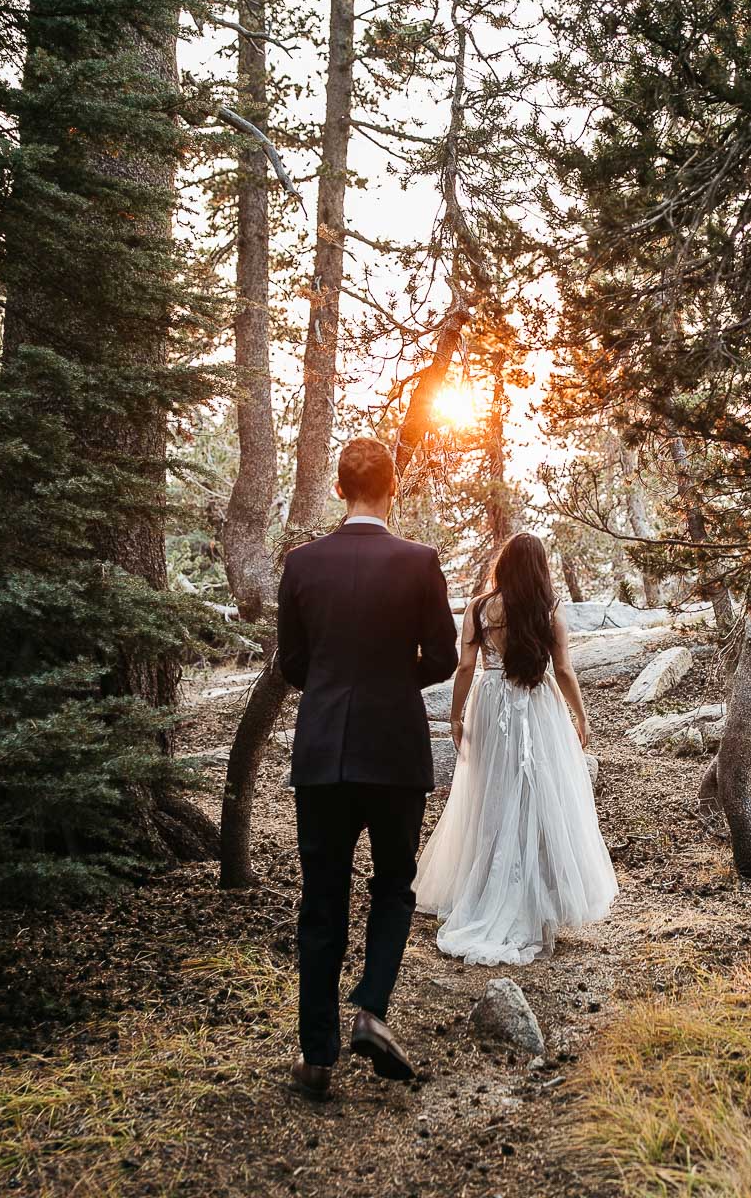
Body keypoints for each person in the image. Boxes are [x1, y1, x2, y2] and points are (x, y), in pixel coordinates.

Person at [275, 438, 458, 1101]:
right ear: (393, 486)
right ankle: (372, 1011)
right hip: (394, 752)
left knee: (320, 904)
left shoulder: (302, 564)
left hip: (323, 751)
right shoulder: (419, 561)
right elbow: (442, 656)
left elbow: (291, 662)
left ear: (337, 490)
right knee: (393, 887)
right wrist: (387, 680)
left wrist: (334, 683)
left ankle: (316, 1059)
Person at [415, 531, 618, 966]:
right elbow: (562, 669)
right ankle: (537, 894)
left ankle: (490, 886)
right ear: (541, 569)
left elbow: (467, 667)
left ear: (503, 566)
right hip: (538, 705)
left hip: (491, 705)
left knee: (490, 794)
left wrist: (455, 715)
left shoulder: (479, 608)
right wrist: (580, 714)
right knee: (542, 795)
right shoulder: (549, 610)